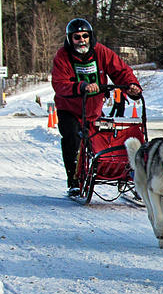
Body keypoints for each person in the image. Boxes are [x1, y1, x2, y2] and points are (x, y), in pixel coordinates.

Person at [51, 18, 142, 196]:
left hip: (92, 109)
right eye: (77, 37)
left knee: (100, 140)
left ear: (90, 37)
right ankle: (74, 181)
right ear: (70, 39)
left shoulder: (101, 52)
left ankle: (121, 173)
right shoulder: (62, 56)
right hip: (69, 108)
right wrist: (81, 86)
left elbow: (121, 70)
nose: (81, 40)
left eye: (85, 36)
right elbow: (59, 83)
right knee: (72, 139)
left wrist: (131, 86)